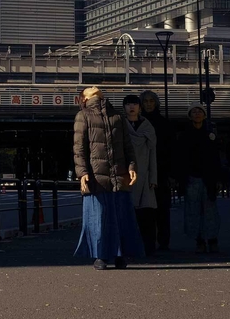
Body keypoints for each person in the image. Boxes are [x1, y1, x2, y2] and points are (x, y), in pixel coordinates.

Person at [73, 87, 144, 270]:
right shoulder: (83, 115)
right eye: (89, 89)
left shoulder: (117, 116)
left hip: (118, 174)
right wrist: (82, 173)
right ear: (85, 98)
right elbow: (79, 148)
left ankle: (120, 255)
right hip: (96, 177)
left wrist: (131, 166)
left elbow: (128, 146)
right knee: (99, 217)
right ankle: (100, 255)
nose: (94, 87)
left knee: (120, 217)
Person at [176, 102, 221, 253]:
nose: (197, 114)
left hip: (209, 177)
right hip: (191, 177)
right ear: (189, 116)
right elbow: (179, 159)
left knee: (210, 210)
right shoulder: (183, 135)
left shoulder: (211, 135)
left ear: (204, 115)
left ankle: (213, 238)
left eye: (199, 111)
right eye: (194, 112)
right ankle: (199, 239)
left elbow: (216, 158)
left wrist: (219, 178)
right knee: (193, 210)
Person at [123, 94, 158, 255]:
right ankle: (129, 248)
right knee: (127, 215)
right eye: (128, 104)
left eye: (134, 104)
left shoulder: (148, 126)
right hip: (125, 174)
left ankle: (148, 248)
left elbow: (153, 153)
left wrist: (153, 178)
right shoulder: (120, 124)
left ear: (140, 107)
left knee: (147, 215)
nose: (132, 107)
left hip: (145, 175)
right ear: (124, 107)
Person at [140, 90, 173, 250]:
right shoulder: (136, 122)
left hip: (161, 170)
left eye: (151, 101)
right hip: (143, 171)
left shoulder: (163, 123)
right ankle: (148, 240)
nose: (148, 104)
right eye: (145, 101)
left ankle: (163, 240)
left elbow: (170, 149)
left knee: (162, 208)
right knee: (146, 209)